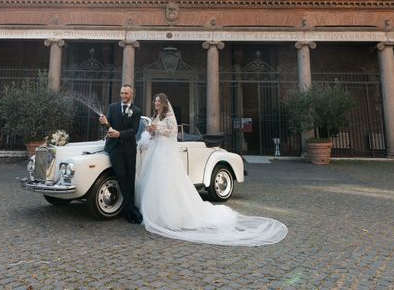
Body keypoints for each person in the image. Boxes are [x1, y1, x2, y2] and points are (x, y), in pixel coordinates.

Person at [136, 93, 288, 246]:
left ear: (163, 103)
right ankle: (156, 214)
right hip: (157, 154)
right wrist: (151, 131)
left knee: (168, 184)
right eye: (154, 101)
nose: (155, 103)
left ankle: (170, 216)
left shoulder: (168, 116)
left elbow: (173, 132)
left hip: (166, 155)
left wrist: (159, 130)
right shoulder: (156, 116)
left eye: (157, 101)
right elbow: (155, 135)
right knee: (156, 185)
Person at [99, 84, 143, 224]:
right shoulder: (112, 107)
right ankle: (130, 210)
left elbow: (134, 131)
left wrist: (120, 134)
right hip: (115, 148)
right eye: (122, 93)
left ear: (132, 95)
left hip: (129, 149)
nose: (123, 96)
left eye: (126, 94)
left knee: (130, 178)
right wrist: (104, 123)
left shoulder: (136, 111)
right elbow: (109, 127)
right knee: (121, 176)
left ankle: (129, 207)